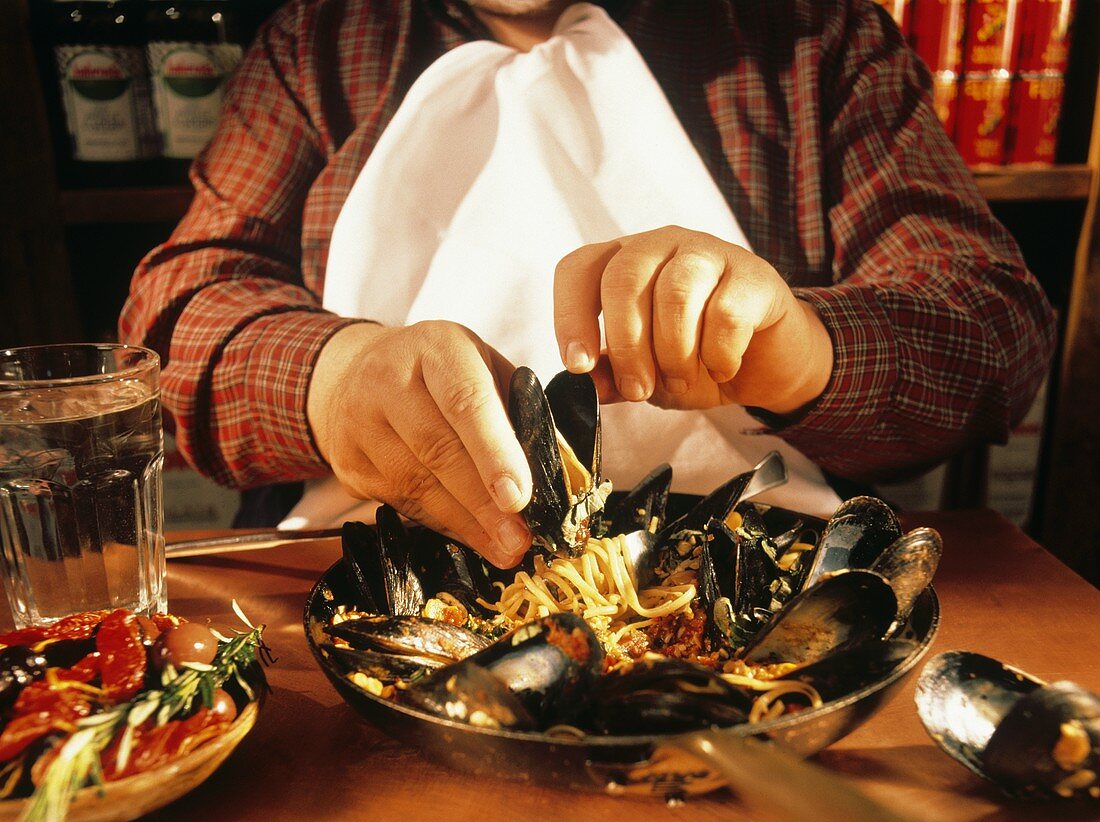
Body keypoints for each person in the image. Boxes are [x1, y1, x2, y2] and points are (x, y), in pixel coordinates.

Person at [120, 0, 1056, 569]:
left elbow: (994, 326)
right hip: (357, 578)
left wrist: (800, 347)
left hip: (758, 584)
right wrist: (330, 380)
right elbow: (175, 315)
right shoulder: (317, 43)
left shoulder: (815, 38)